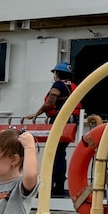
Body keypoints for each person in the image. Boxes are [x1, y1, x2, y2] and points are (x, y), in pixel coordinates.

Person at [29, 62, 75, 196]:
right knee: (60, 153)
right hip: (69, 121)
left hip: (60, 121)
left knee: (55, 153)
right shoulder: (71, 86)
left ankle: (54, 186)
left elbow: (50, 102)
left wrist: (36, 114)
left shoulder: (58, 85)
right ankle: (58, 185)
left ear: (57, 74)